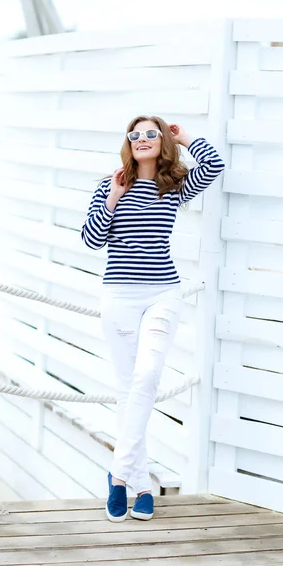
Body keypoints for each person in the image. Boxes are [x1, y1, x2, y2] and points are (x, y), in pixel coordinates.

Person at [81, 115, 225, 522]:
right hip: (119, 297)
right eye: (135, 134)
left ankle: (117, 474)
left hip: (162, 292)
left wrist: (186, 137)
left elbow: (213, 165)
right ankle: (142, 484)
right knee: (129, 391)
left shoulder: (173, 185)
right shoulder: (109, 185)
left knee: (146, 378)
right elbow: (92, 238)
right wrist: (112, 196)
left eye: (151, 134)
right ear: (128, 142)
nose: (142, 139)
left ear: (161, 141)